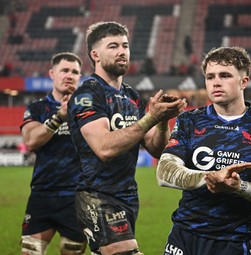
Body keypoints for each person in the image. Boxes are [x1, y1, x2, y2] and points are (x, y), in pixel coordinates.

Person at [156, 46, 251, 255]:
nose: (216, 82)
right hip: (184, 237)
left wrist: (239, 187)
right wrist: (212, 178)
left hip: (233, 242)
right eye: (210, 77)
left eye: (225, 75)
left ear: (244, 81)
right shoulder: (189, 120)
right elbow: (164, 172)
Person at [67, 21, 186, 255]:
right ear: (95, 54)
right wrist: (150, 118)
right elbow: (103, 148)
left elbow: (157, 149)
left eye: (125, 45)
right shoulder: (88, 94)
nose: (122, 51)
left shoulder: (131, 95)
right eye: (113, 46)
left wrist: (162, 121)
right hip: (97, 195)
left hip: (129, 196)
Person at [20, 52, 87, 255]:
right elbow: (31, 141)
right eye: (64, 70)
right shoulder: (38, 108)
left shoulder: (89, 111)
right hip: (42, 195)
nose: (70, 75)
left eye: (75, 72)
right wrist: (59, 116)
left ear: (79, 77)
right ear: (52, 73)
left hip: (76, 198)